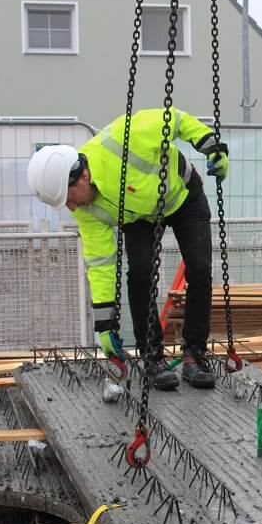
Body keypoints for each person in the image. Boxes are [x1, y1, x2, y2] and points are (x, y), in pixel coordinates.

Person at [27, 108, 230, 390]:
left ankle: (194, 354)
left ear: (82, 176)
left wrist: (211, 146)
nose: (71, 208)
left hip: (182, 196)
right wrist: (104, 326)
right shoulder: (85, 211)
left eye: (69, 198)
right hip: (140, 217)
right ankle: (152, 357)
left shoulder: (124, 137)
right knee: (141, 273)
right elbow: (100, 263)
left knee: (199, 268)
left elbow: (177, 120)